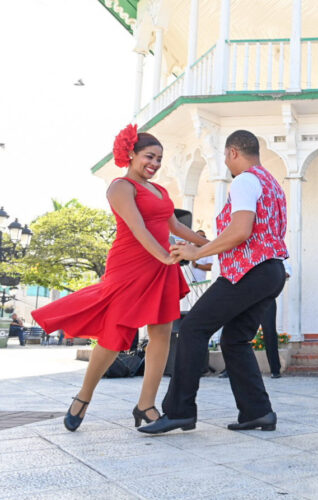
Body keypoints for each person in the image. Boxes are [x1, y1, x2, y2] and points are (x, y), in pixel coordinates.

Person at [31, 125, 207, 432]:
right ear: (131, 155)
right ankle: (83, 397)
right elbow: (138, 228)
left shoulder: (161, 190)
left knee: (162, 334)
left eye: (159, 159)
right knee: (115, 335)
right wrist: (165, 255)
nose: (154, 163)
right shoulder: (120, 187)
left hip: (160, 266)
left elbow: (177, 228)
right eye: (149, 156)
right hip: (131, 265)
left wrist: (215, 244)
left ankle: (145, 406)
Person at [139, 130, 288, 434]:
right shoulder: (272, 184)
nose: (225, 163)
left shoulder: (246, 180)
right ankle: (257, 412)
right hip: (271, 272)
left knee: (194, 328)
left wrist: (198, 250)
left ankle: (180, 411)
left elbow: (241, 230)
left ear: (233, 152)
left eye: (224, 156)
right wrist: (206, 252)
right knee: (235, 340)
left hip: (250, 271)